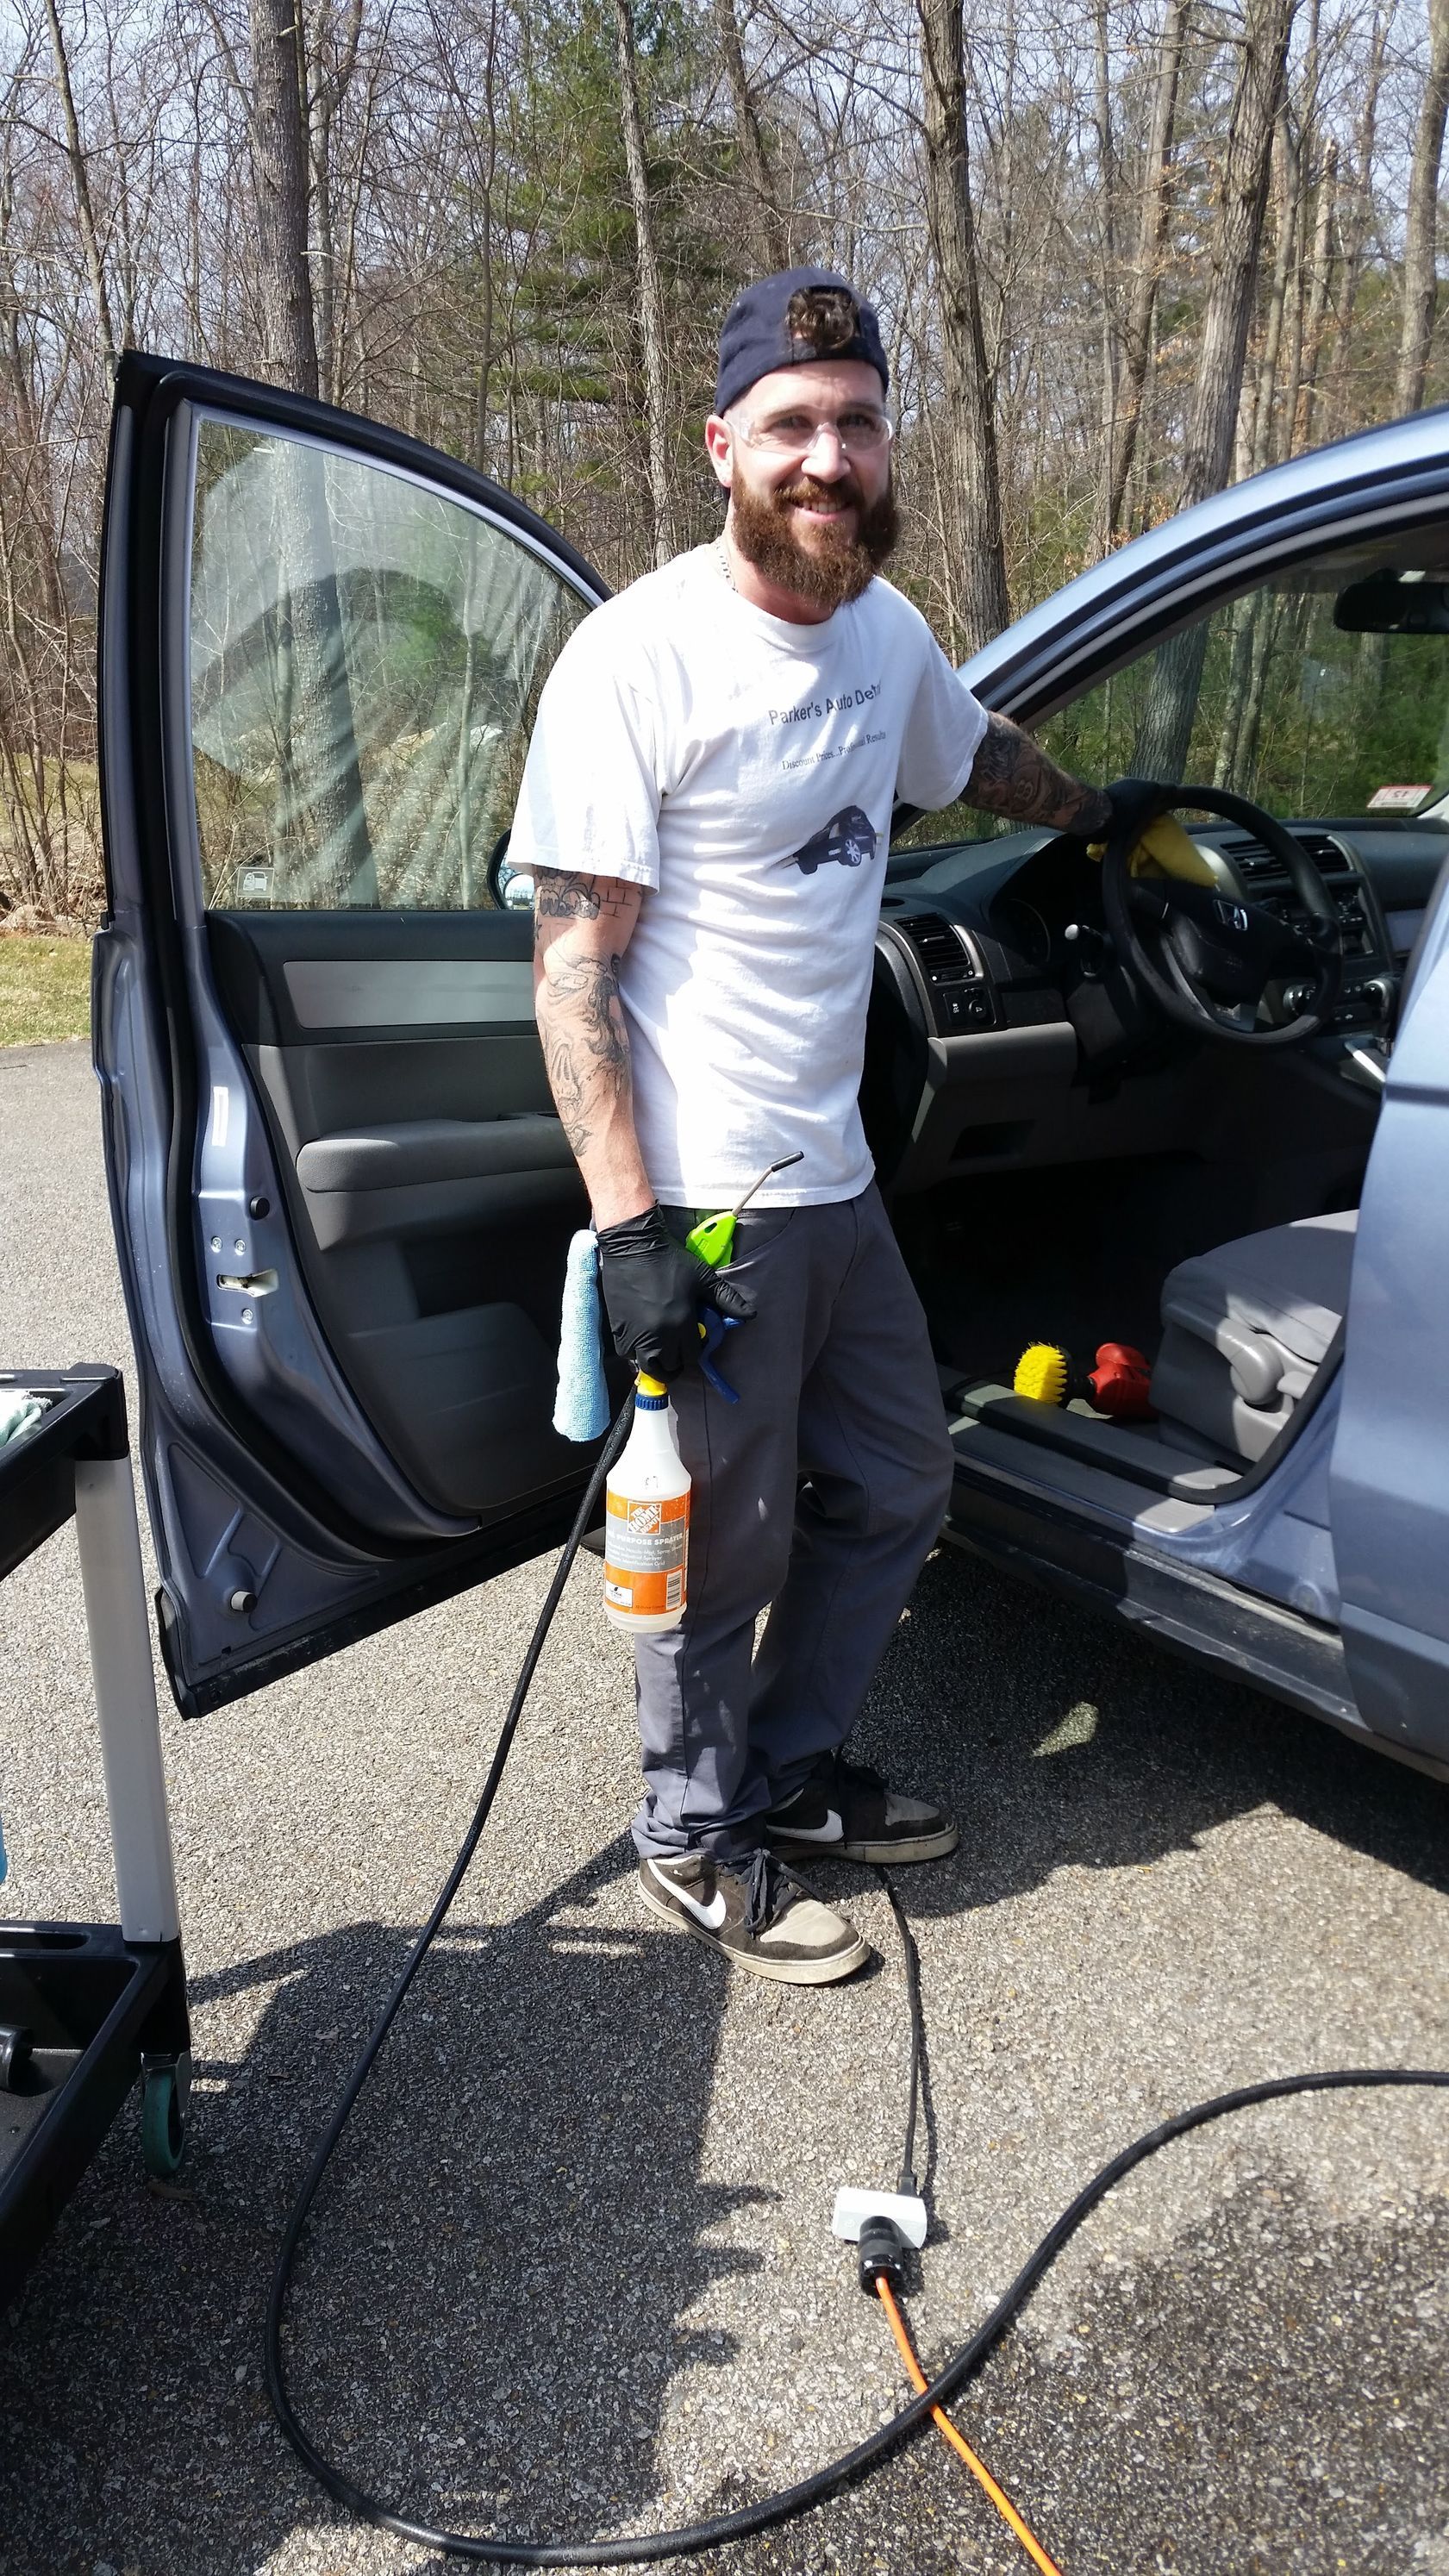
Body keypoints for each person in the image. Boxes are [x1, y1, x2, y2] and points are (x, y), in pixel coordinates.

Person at [512, 266, 1143, 1986]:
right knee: (722, 1541)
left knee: (891, 1485)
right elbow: (573, 974)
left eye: (855, 422)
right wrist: (635, 1231)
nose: (827, 456)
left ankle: (784, 1776)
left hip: (837, 1172)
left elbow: (973, 752)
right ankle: (688, 1827)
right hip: (709, 1192)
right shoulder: (635, 659)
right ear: (720, 443)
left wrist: (1108, 819)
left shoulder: (882, 625)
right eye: (790, 425)